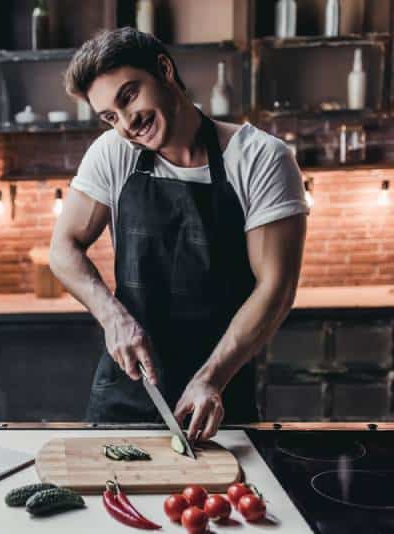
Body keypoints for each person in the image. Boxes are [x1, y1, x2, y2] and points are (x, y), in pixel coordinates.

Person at [49, 27, 308, 441]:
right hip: (127, 391)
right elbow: (63, 248)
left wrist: (212, 378)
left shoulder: (259, 158)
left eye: (129, 96)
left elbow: (276, 288)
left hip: (219, 394)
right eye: (109, 117)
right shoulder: (113, 153)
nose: (126, 124)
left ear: (164, 70)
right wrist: (113, 318)